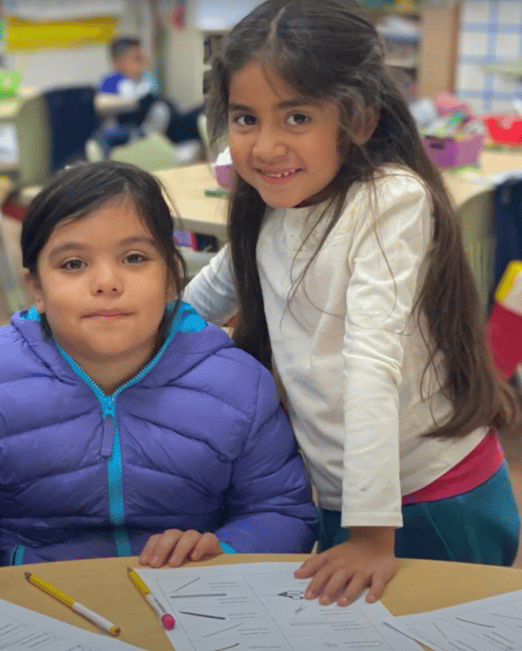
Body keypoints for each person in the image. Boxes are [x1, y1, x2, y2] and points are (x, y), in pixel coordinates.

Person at [185, 0, 521, 609]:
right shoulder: (271, 205)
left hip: (429, 498)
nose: (264, 146)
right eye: (244, 118)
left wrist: (370, 532)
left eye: (296, 117)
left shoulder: (389, 201)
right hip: (347, 496)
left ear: (361, 121)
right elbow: (202, 298)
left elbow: (371, 365)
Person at [0, 161, 318, 569]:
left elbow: (282, 512)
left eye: (134, 257)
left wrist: (224, 549)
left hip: (189, 598)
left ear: (171, 278)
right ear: (37, 288)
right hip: (38, 600)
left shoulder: (237, 383)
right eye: (73, 264)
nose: (107, 282)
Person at [97, 37, 203, 153]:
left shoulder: (146, 78)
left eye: (141, 58)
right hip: (145, 129)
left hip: (168, 123)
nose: (141, 63)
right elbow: (101, 103)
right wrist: (137, 102)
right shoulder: (112, 81)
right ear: (117, 62)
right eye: (136, 59)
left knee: (201, 112)